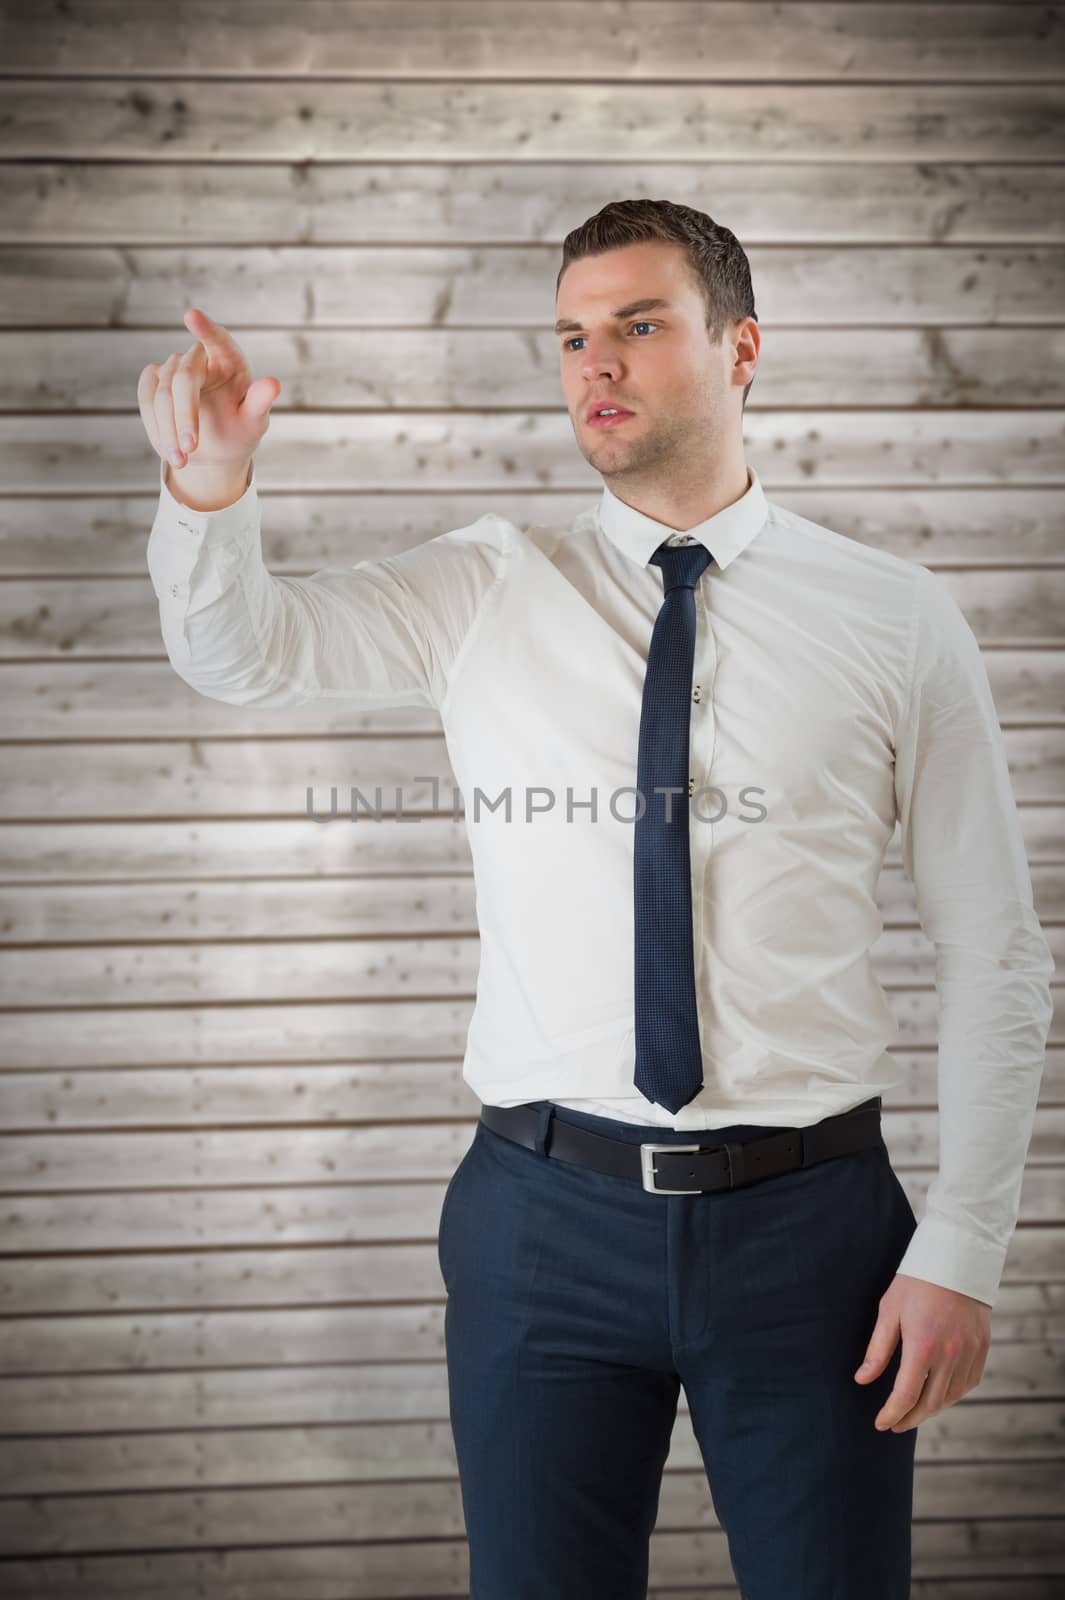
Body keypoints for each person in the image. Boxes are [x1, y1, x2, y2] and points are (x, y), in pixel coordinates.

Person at [140, 198, 1054, 1599]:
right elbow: (240, 654)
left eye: (638, 324)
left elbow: (993, 949)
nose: (596, 363)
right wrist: (209, 493)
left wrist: (965, 1248)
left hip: (814, 1231)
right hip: (538, 1223)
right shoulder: (482, 586)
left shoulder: (894, 617)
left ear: (740, 347)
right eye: (572, 336)